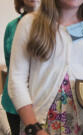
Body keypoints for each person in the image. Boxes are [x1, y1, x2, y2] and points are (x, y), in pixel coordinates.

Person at [8, 0, 83, 135]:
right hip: (38, 123)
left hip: (81, 124)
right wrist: (34, 127)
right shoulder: (30, 24)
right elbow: (16, 79)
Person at [1, 0, 40, 134]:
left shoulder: (54, 25)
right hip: (12, 103)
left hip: (41, 100)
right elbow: (9, 62)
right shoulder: (11, 27)